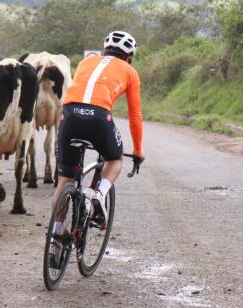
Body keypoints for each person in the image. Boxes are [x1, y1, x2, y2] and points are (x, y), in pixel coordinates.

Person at [52, 31, 146, 236]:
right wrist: (138, 150)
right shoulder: (130, 71)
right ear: (129, 58)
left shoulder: (88, 61)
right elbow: (135, 115)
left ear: (104, 50)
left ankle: (55, 237)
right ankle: (98, 194)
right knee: (115, 158)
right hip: (99, 117)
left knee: (65, 180)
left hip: (69, 115)